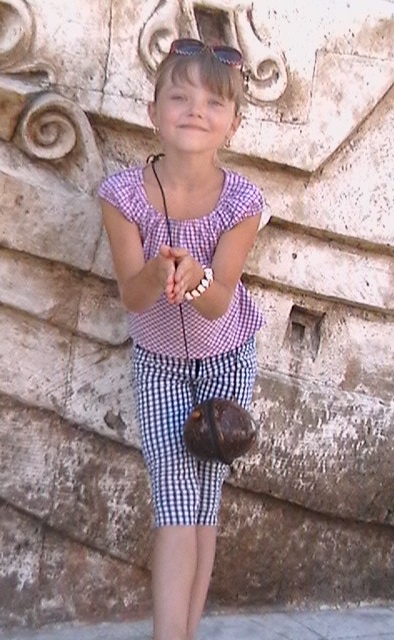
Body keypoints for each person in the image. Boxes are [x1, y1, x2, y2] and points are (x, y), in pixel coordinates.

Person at [98, 38, 265, 640]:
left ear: (234, 123)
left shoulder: (243, 201)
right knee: (174, 499)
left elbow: (219, 303)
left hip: (229, 358)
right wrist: (157, 271)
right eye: (179, 97)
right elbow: (132, 296)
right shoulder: (122, 196)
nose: (196, 110)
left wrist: (197, 280)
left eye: (214, 102)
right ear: (153, 112)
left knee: (203, 499)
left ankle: (185, 631)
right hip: (160, 364)